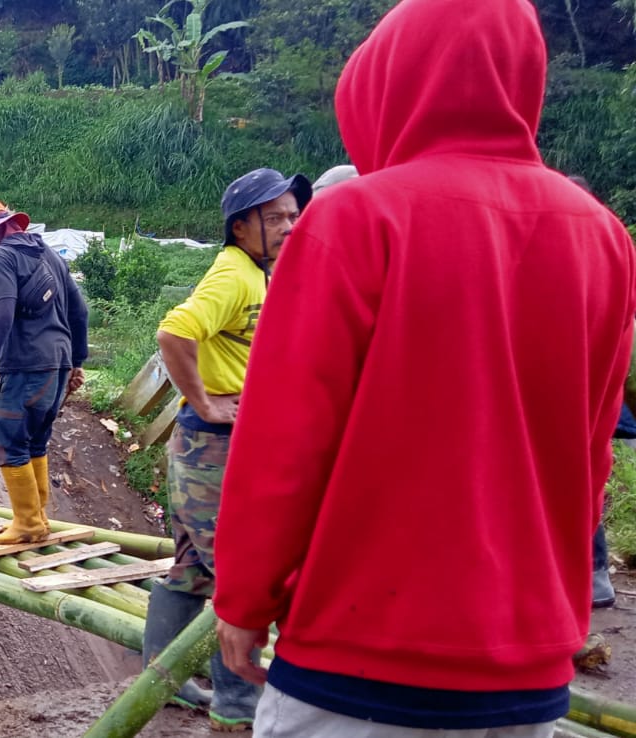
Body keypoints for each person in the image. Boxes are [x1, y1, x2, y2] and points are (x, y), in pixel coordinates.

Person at [212, 1, 636, 736]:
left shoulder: (356, 220)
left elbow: (284, 446)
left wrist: (244, 604)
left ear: (387, 86)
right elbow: (591, 452)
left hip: (358, 661)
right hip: (526, 668)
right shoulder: (600, 235)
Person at [144, 167, 310, 730]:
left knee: (192, 567)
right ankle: (237, 701)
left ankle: (159, 677)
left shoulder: (262, 272)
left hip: (224, 441)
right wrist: (209, 401)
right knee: (232, 570)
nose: (289, 225)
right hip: (212, 445)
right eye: (275, 218)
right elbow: (174, 333)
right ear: (241, 227)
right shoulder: (234, 275)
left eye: (292, 215)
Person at [0, 201, 88, 546]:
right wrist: (77, 362)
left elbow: (1, 315)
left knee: (7, 439)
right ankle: (38, 518)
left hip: (27, 363)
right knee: (35, 441)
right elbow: (80, 312)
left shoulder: (3, 257)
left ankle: (27, 522)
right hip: (57, 365)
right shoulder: (52, 256)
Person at [570, 174, 624, 611]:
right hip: (582, 388)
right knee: (582, 460)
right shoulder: (608, 240)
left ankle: (594, 571)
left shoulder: (602, 242)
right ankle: (593, 572)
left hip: (584, 383)